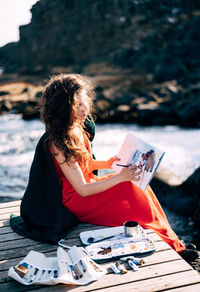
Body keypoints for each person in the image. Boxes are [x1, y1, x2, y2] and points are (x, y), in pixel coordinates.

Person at [22, 73, 198, 262]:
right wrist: (120, 177)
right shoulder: (59, 142)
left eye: (84, 102)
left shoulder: (77, 128)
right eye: (77, 105)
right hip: (76, 199)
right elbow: (81, 189)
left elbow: (83, 164)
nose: (84, 109)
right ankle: (175, 249)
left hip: (88, 187)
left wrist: (106, 164)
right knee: (131, 189)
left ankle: (174, 242)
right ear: (64, 108)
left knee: (141, 187)